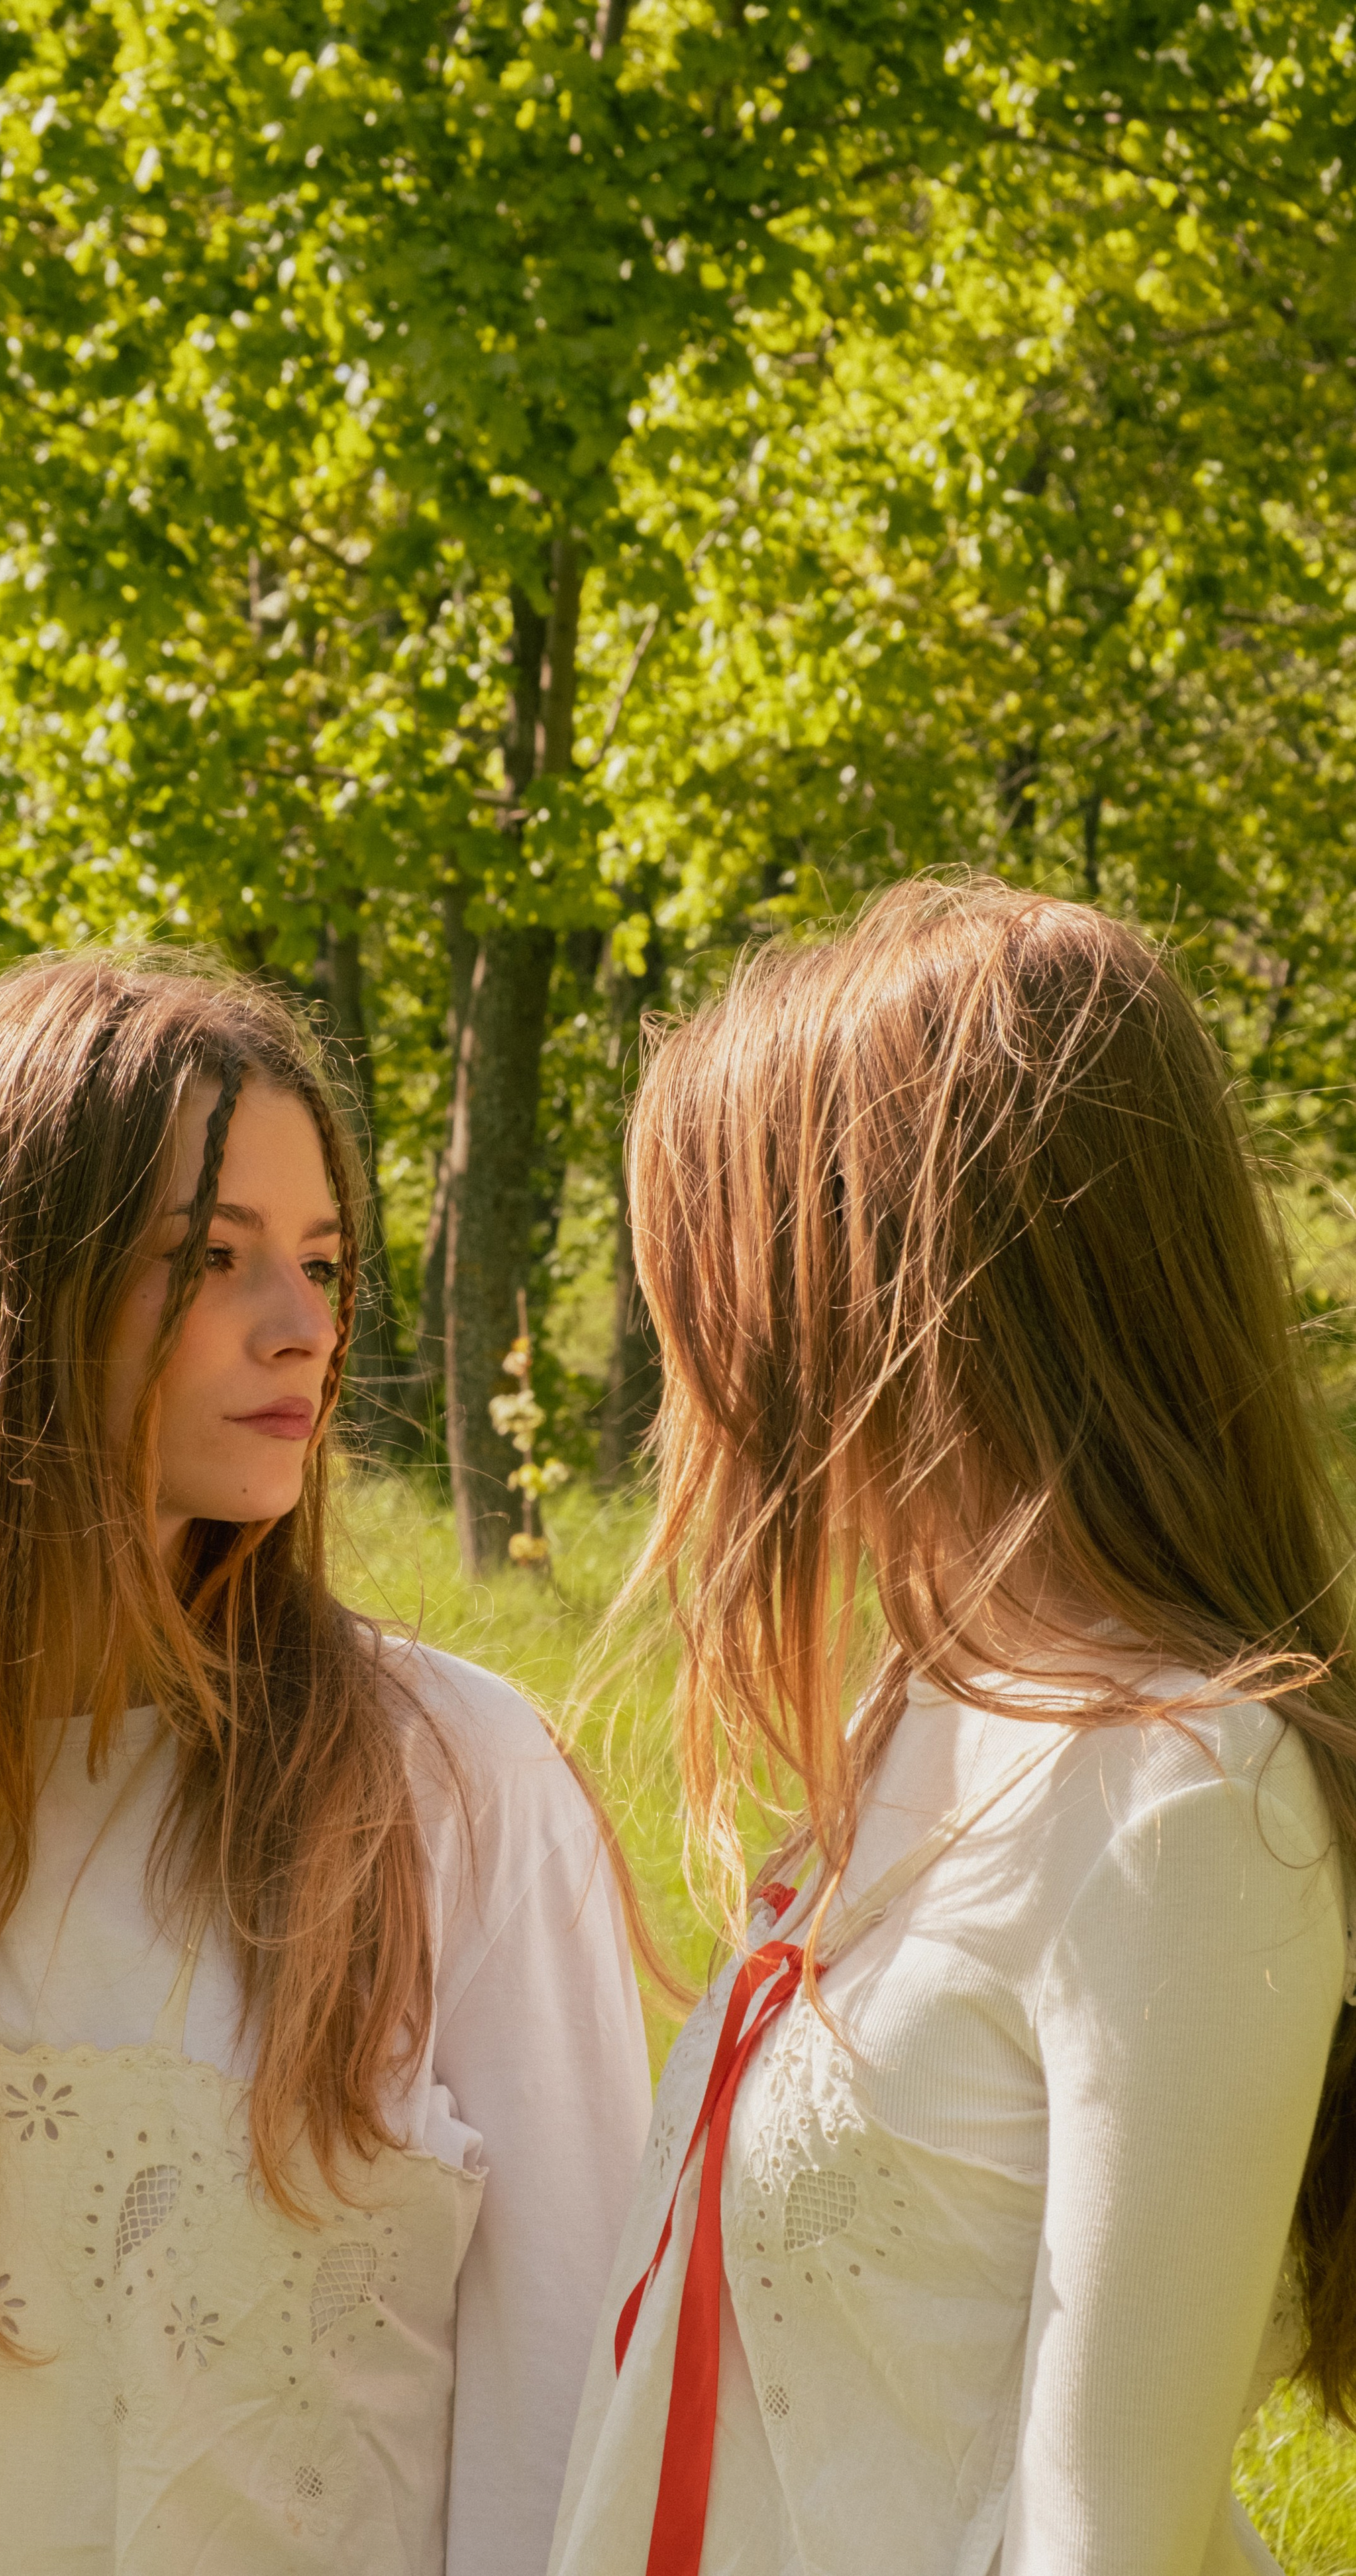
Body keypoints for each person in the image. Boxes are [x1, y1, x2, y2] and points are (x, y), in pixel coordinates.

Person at [0, 951, 651, 2576]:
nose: (308, 1325)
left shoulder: (446, 1787)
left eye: (321, 1260)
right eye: (210, 1256)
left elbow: (566, 2418)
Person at [550, 877, 1356, 2576]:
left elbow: (1100, 2543)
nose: (709, 1362)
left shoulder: (1183, 1803)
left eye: (742, 1262)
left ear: (909, 1284)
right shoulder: (911, 1712)